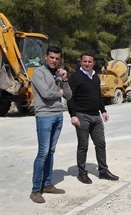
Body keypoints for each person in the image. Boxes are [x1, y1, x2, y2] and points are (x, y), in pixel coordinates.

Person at [67, 52, 119, 184]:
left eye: (90, 62)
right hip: (82, 116)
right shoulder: (75, 77)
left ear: (94, 63)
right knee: (83, 145)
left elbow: (98, 95)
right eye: (84, 61)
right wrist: (73, 115)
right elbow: (70, 98)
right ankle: (82, 173)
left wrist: (103, 110)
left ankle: (103, 171)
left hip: (96, 116)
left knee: (101, 144)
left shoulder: (96, 77)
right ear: (81, 62)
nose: (87, 64)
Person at [30, 46, 72, 203]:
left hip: (58, 115)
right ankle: (35, 190)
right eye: (51, 57)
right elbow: (46, 94)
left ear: (60, 59)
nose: (54, 60)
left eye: (57, 58)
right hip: (45, 116)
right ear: (46, 57)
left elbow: (68, 95)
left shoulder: (59, 74)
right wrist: (59, 93)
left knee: (51, 151)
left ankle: (47, 184)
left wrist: (65, 80)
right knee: (43, 152)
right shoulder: (38, 72)